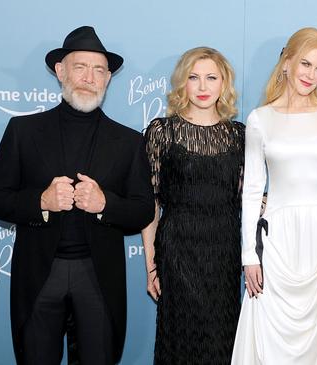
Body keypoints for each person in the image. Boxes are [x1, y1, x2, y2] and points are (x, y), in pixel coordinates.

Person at [0, 26, 155, 364]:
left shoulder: (129, 141)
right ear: (61, 71)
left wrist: (106, 204)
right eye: (80, 67)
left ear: (107, 79)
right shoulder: (23, 131)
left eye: (99, 70)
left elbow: (143, 209)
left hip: (99, 278)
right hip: (39, 276)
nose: (89, 77)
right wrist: (41, 202)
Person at [231, 27, 317, 364]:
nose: (311, 76)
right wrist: (249, 257)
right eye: (305, 64)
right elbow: (253, 191)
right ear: (286, 63)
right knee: (272, 341)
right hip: (276, 243)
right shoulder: (261, 119)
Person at [142, 47, 245, 364]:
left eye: (211, 77)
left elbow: (247, 197)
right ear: (182, 83)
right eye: (194, 77)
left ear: (223, 83)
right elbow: (151, 206)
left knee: (221, 341)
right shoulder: (162, 131)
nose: (203, 87)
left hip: (223, 253)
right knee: (180, 341)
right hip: (177, 253)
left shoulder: (240, 136)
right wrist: (151, 266)